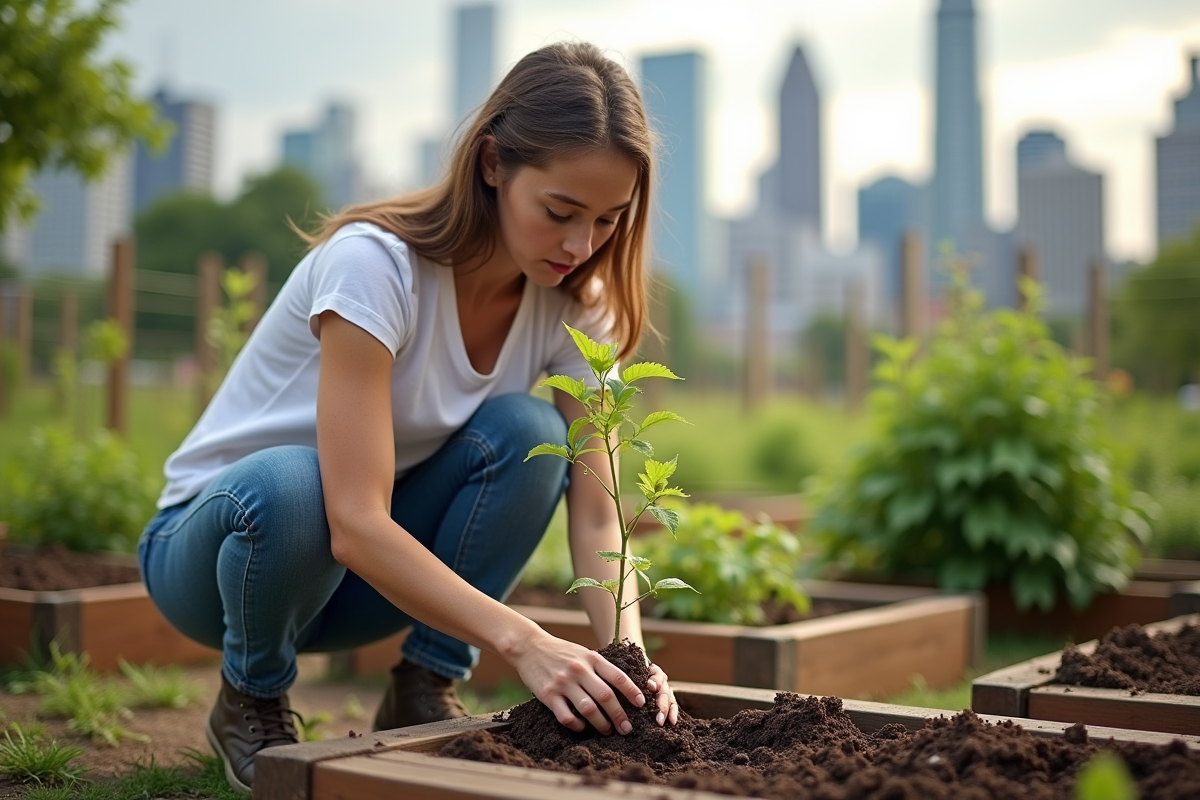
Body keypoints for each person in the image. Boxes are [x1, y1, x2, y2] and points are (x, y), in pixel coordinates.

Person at [137, 41, 680, 794]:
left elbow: (597, 515)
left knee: (532, 437)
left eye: (608, 220)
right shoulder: (375, 267)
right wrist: (522, 641)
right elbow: (353, 519)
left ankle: (424, 682)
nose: (581, 245)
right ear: (493, 163)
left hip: (358, 587)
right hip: (220, 558)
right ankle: (251, 697)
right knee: (299, 484)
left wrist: (629, 661)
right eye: (559, 212)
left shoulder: (575, 310)